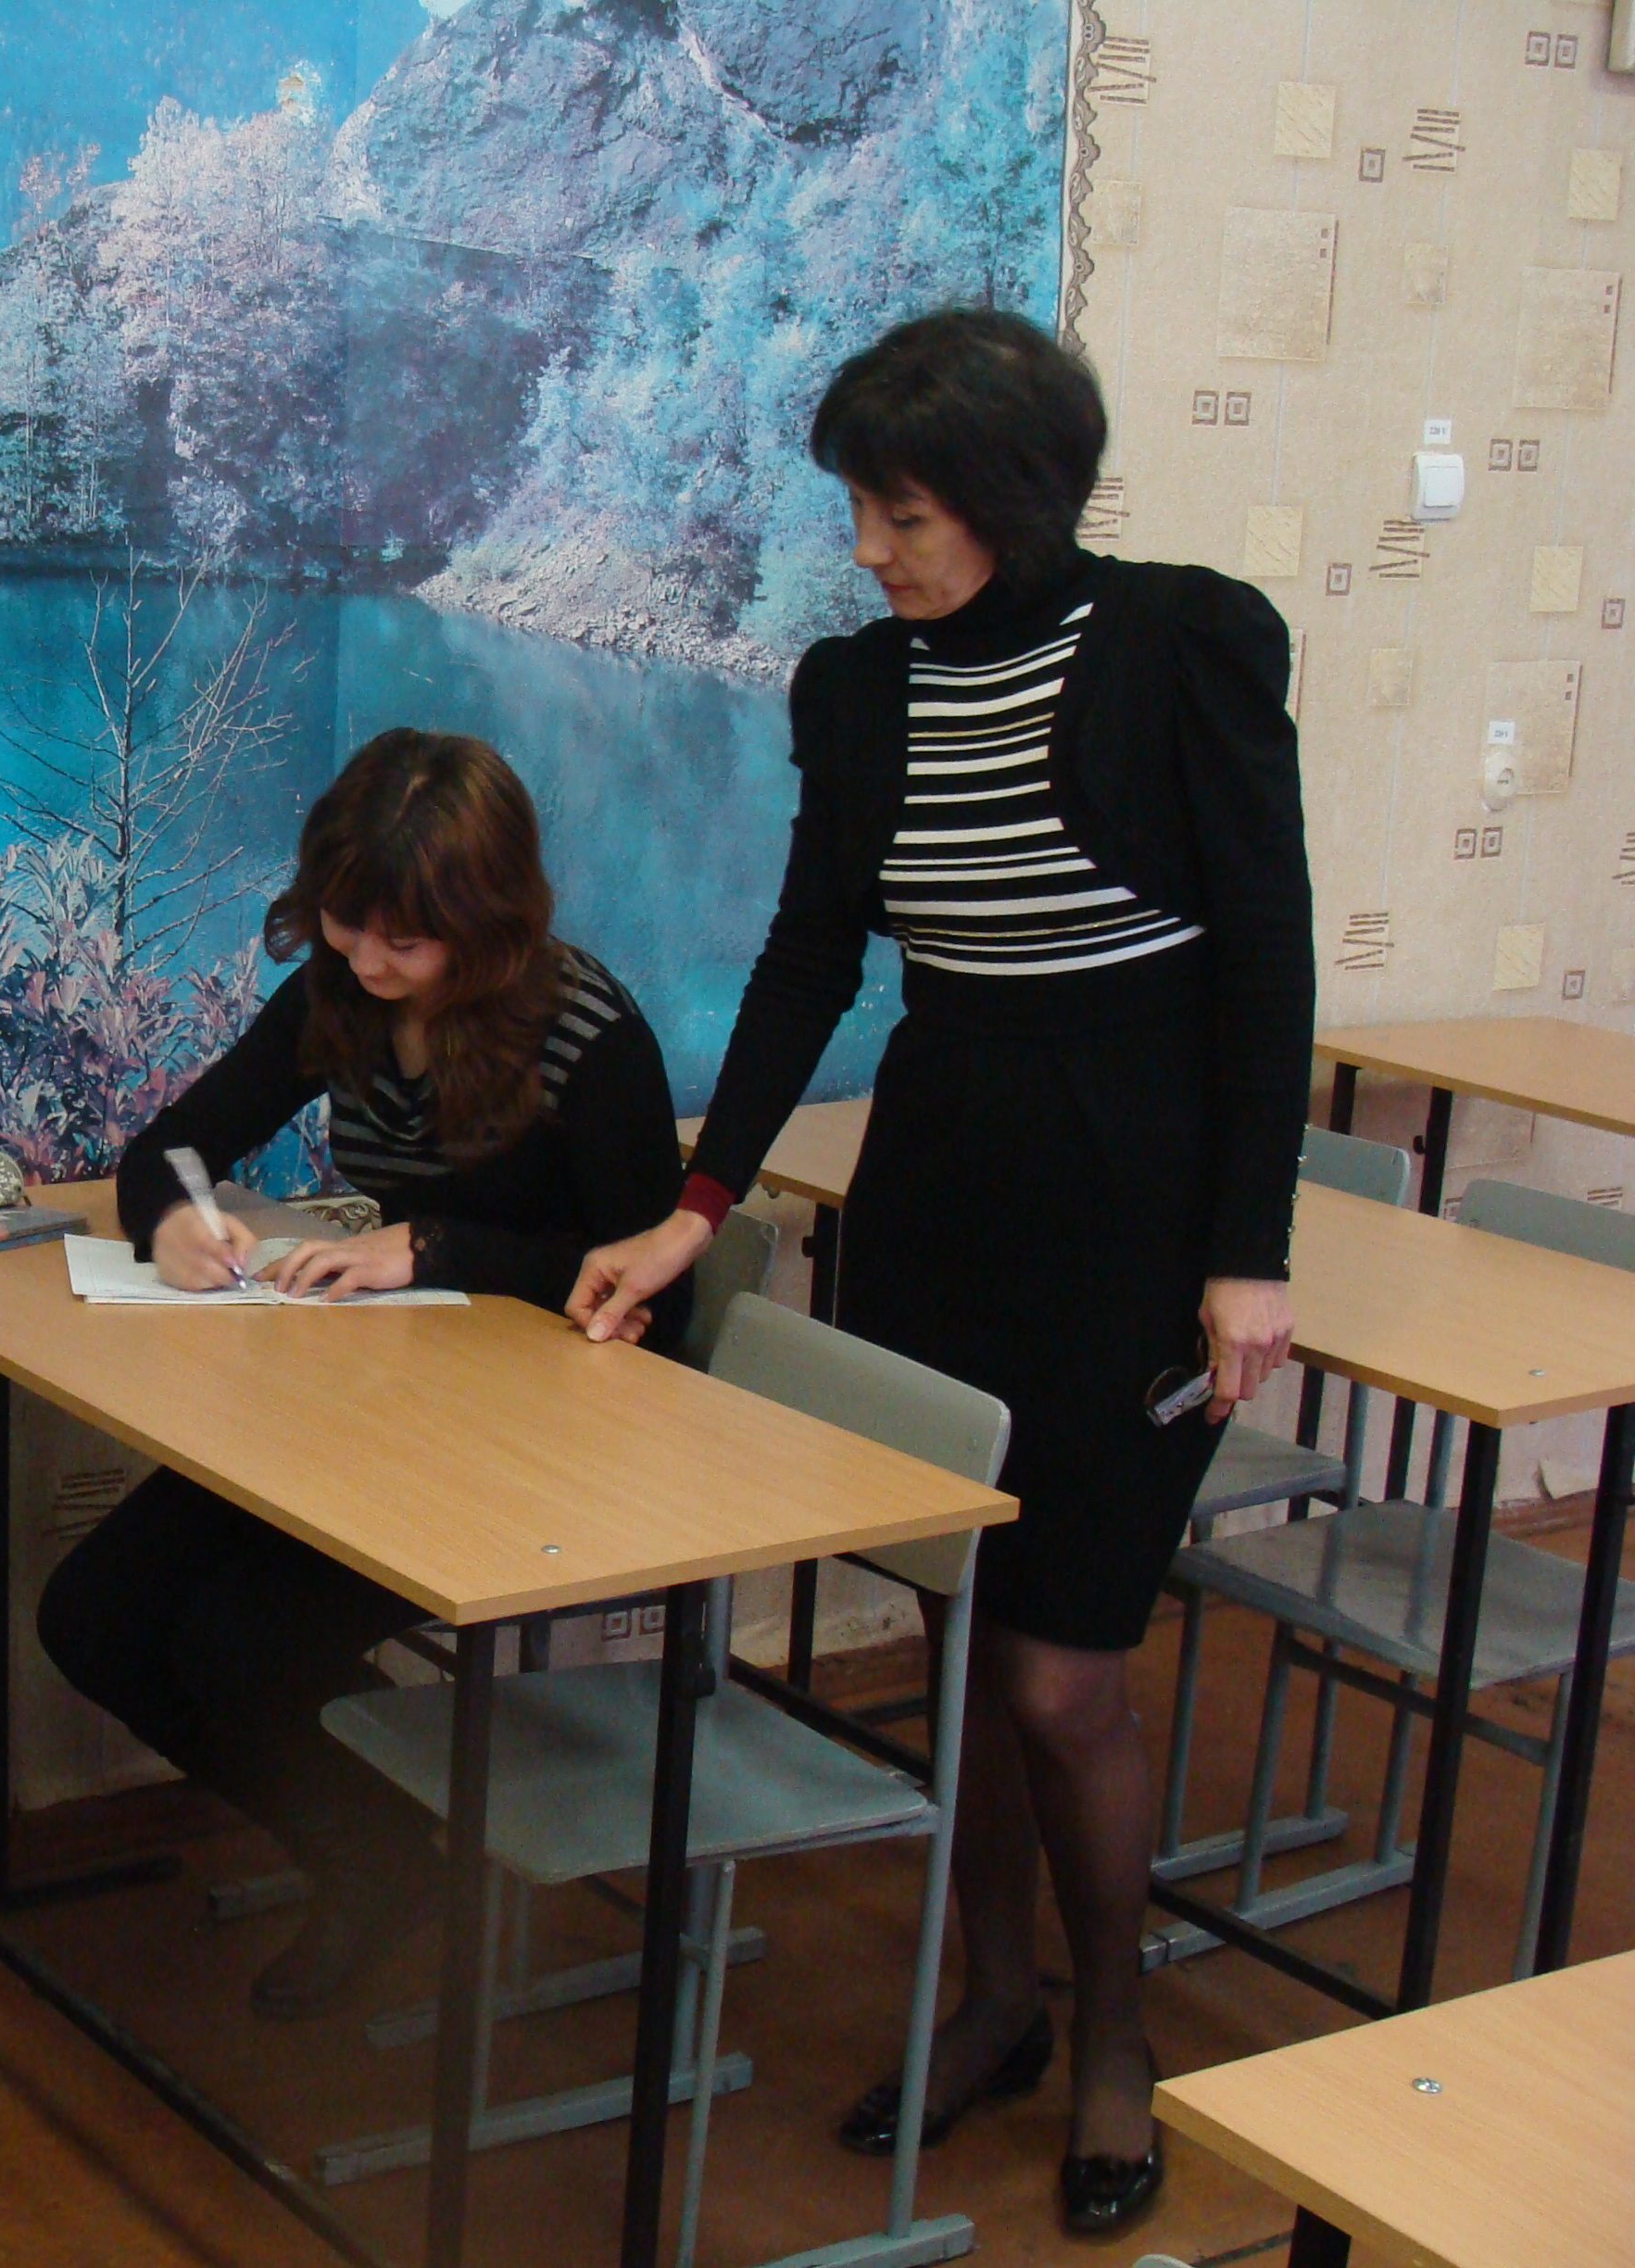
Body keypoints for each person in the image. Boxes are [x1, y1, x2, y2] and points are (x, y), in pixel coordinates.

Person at [567, 309, 1311, 2237]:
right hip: (943, 1187)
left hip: (1137, 1209)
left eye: (904, 514)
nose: (872, 551)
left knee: (1066, 1674)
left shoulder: (1184, 641)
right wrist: (698, 1202)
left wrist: (1250, 1256)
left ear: (1013, 495)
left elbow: (1267, 963)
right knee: (972, 1643)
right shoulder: (858, 688)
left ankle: (1118, 2029)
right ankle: (994, 2000)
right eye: (862, 513)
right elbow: (812, 954)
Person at [38, 728, 691, 2018]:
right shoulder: (339, 996)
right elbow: (173, 1145)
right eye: (348, 925)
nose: (371, 963)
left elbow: (651, 1298)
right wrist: (176, 1222)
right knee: (95, 1617)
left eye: (408, 941)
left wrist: (436, 1247)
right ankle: (381, 1843)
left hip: (535, 1441)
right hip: (372, 1409)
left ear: (486, 926)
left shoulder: (588, 1033)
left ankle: (372, 1862)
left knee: (237, 1651)